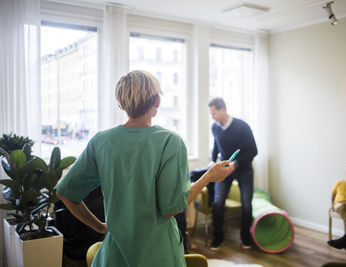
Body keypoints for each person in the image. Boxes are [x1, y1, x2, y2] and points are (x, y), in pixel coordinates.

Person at [55, 70, 230, 267]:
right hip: (158, 254)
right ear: (157, 101)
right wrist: (208, 176)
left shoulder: (100, 141)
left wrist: (101, 227)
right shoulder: (169, 142)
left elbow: (65, 193)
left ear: (121, 103)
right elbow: (172, 208)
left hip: (114, 255)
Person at [208, 98, 258, 250]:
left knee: (246, 204)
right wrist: (212, 161)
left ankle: (245, 238)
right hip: (224, 169)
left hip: (244, 169)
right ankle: (218, 237)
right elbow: (217, 145)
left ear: (223, 110)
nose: (212, 116)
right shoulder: (215, 127)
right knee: (218, 202)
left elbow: (253, 151)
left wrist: (235, 165)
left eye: (214, 112)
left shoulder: (242, 126)